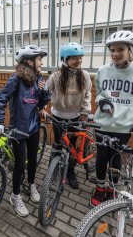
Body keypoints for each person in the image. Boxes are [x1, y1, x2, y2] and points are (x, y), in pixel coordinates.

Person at [90, 30, 133, 206]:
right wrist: (102, 101)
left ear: (130, 50)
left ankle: (111, 188)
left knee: (115, 158)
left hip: (123, 126)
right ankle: (100, 187)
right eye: (112, 50)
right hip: (102, 124)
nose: (115, 54)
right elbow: (99, 93)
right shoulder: (103, 71)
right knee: (102, 158)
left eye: (120, 49)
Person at [0, 45, 51, 217]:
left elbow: (41, 103)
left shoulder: (39, 78)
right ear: (29, 61)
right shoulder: (16, 79)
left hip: (33, 127)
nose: (41, 62)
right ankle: (15, 196)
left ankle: (31, 184)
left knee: (32, 160)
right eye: (39, 59)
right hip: (18, 129)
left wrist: (45, 92)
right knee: (19, 164)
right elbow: (1, 99)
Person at [46, 42, 91, 189]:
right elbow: (46, 93)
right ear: (65, 59)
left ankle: (70, 171)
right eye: (74, 58)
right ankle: (54, 168)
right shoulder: (56, 76)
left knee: (72, 146)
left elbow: (87, 95)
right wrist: (42, 108)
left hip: (76, 117)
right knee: (58, 143)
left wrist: (85, 112)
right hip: (58, 116)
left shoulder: (84, 75)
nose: (78, 61)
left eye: (80, 58)